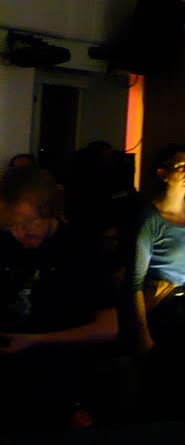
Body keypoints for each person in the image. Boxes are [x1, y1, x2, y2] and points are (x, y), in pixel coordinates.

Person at [0, 169, 128, 428]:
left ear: (50, 211)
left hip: (64, 381)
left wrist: (35, 340)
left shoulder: (82, 249)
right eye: (12, 225)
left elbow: (108, 328)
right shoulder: (4, 244)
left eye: (30, 222)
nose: (21, 232)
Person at [130, 143, 185, 357]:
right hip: (163, 308)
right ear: (163, 174)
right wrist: (144, 338)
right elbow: (134, 283)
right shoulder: (149, 219)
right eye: (181, 166)